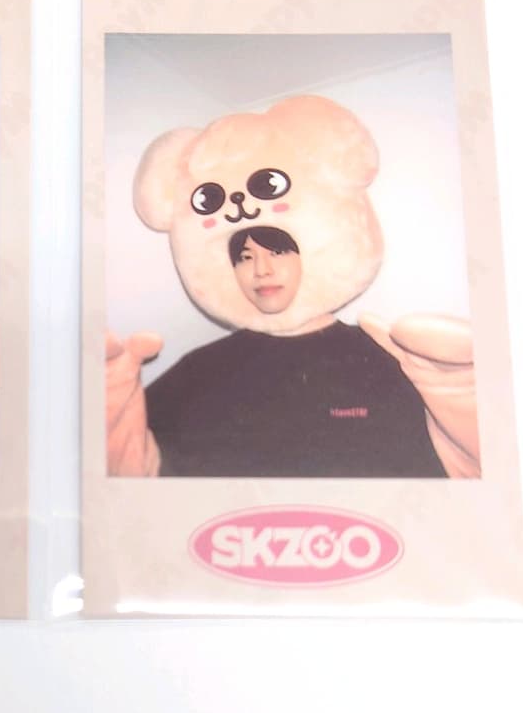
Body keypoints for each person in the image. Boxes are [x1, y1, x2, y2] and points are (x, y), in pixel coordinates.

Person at [105, 94, 480, 479]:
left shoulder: (389, 360)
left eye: (278, 251)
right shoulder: (196, 371)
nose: (261, 270)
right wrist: (113, 419)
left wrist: (460, 397)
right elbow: (141, 474)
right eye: (244, 257)